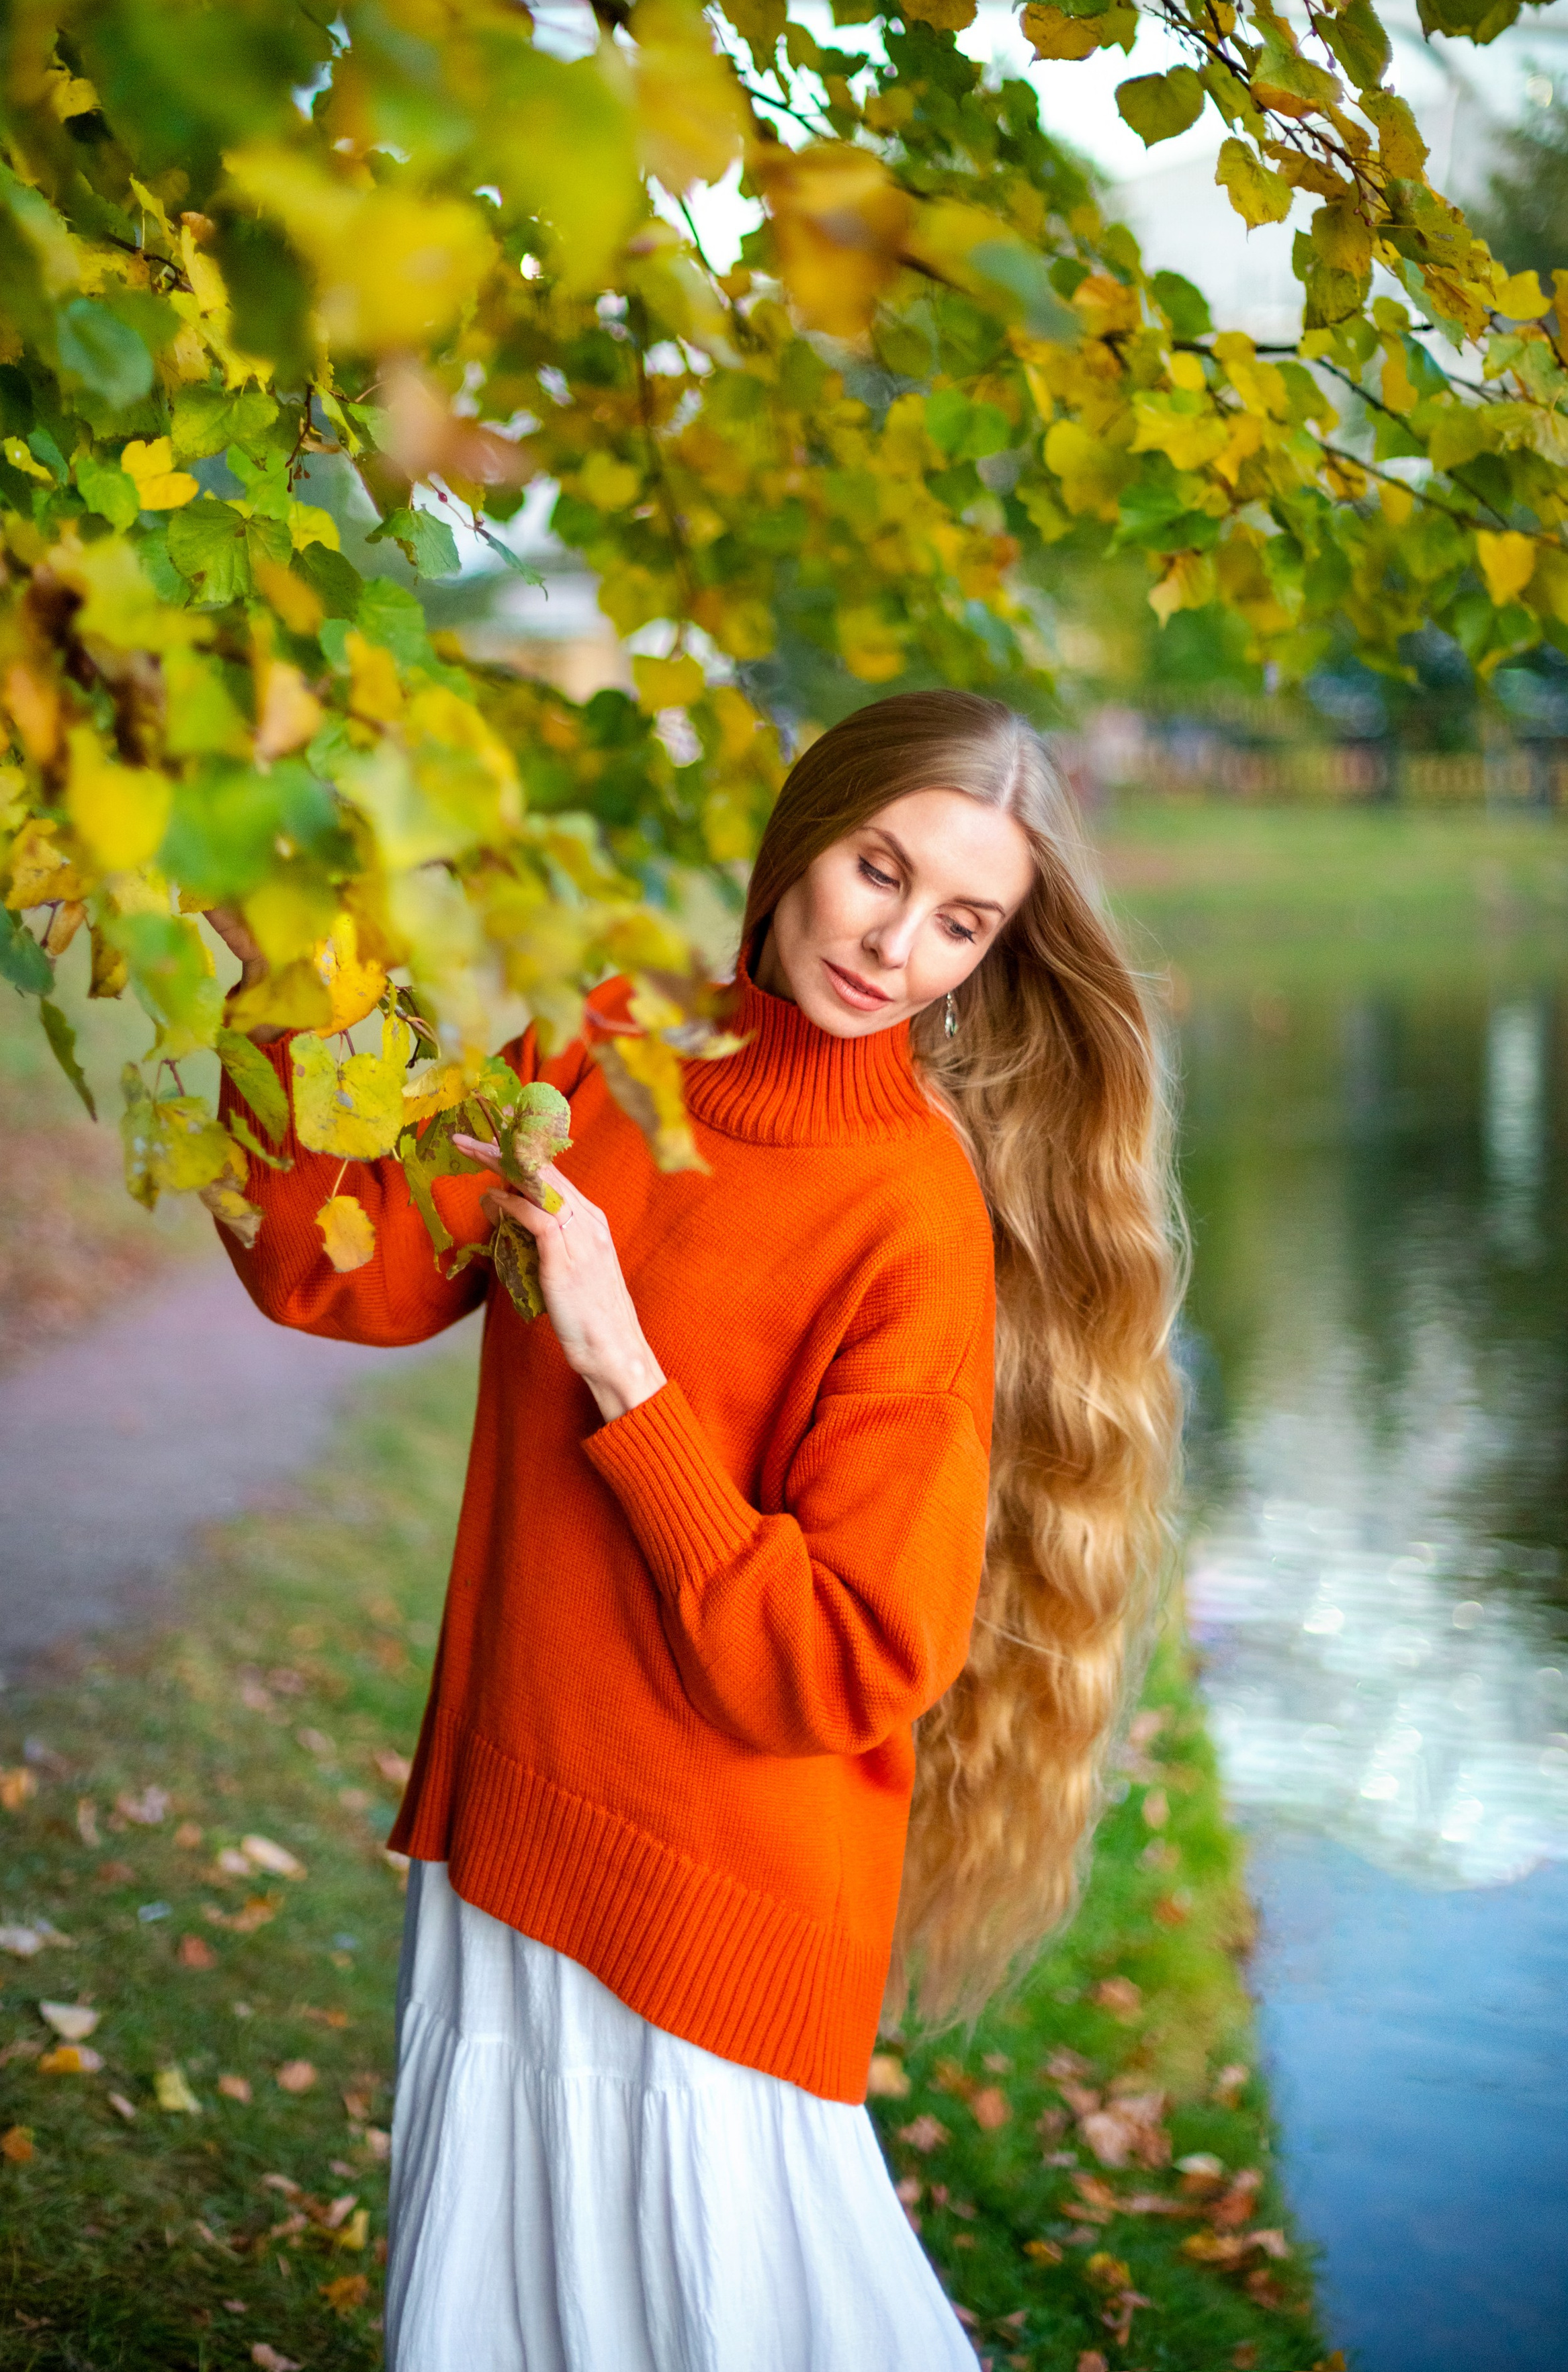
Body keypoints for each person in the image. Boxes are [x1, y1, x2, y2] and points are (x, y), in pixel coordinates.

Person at [210, 689, 1179, 2372]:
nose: (895, 947)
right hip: (521, 1806)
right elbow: (339, 1271)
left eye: (961, 923)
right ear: (799, 837)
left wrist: (622, 1371)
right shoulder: (603, 1044)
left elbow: (851, 1658)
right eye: (878, 871)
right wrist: (284, 979)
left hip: (716, 1887)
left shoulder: (911, 1215)